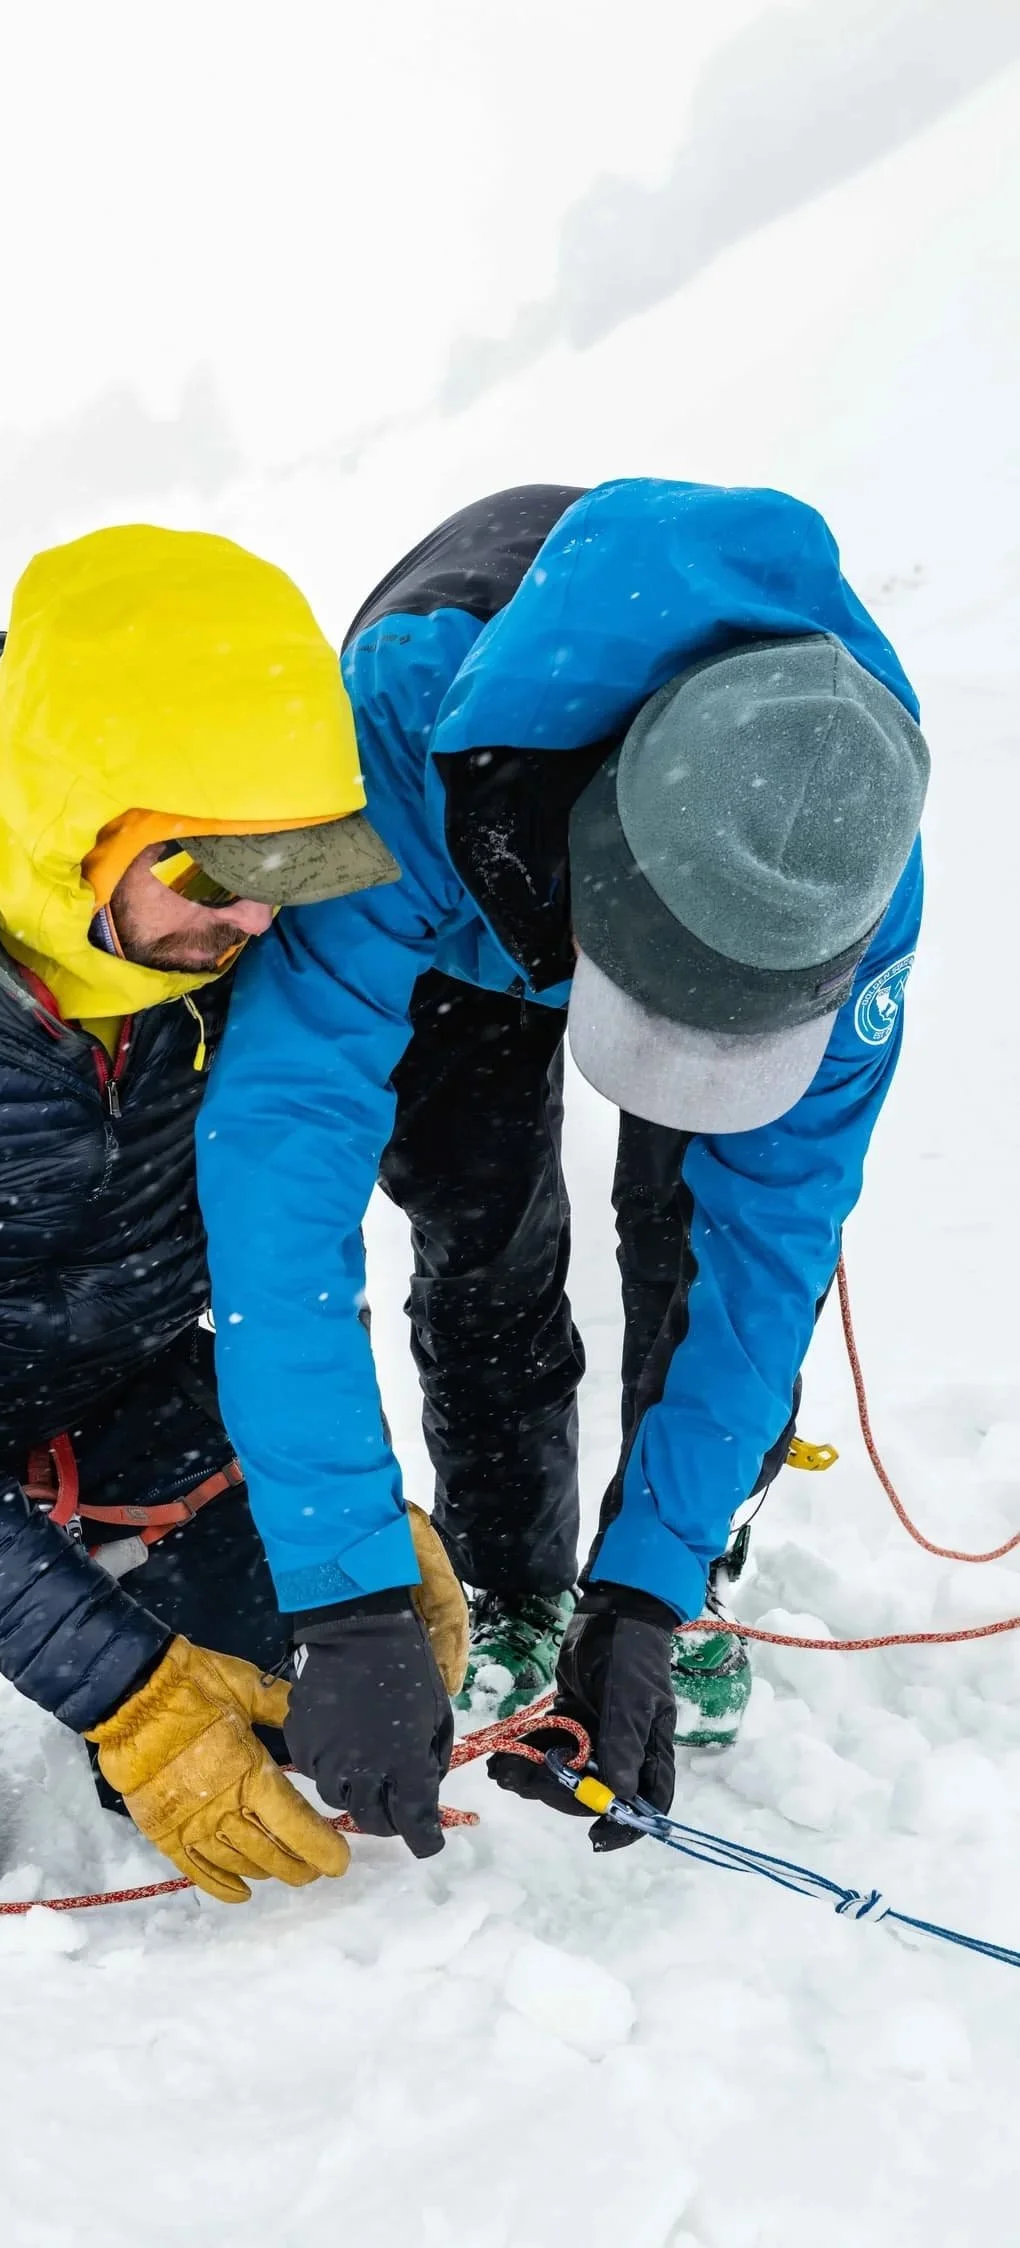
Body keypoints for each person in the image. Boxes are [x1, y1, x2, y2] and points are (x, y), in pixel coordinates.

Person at [0, 523, 469, 1918]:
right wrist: (129, 1690)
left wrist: (349, 1518)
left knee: (298, 1730)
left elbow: (283, 1241)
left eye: (296, 867)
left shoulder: (237, 944)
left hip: (135, 1384)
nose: (254, 923)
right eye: (217, 874)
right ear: (76, 818)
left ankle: (127, 1562)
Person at [194, 479, 928, 1856]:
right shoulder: (397, 747)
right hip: (468, 872)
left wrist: (648, 1590)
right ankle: (513, 1574)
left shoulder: (848, 874)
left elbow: (767, 1261)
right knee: (484, 1231)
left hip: (654, 882)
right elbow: (279, 1189)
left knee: (690, 1257)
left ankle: (666, 1580)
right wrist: (345, 1597)